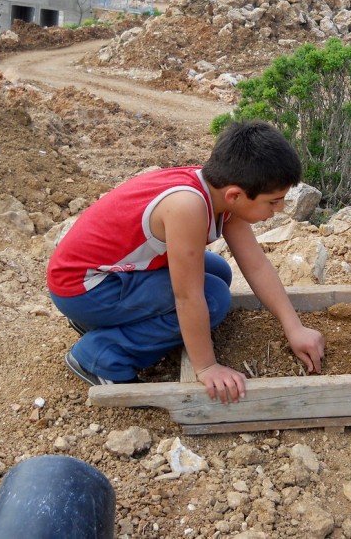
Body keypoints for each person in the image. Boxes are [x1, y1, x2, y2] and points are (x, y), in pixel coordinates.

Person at [47, 121, 325, 403]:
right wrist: (206, 366)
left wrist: (294, 327)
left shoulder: (218, 189)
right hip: (83, 289)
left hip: (95, 277)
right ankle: (100, 356)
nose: (279, 210)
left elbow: (255, 264)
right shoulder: (187, 206)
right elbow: (188, 297)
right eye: (273, 202)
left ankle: (112, 321)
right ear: (235, 195)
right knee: (213, 299)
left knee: (217, 270)